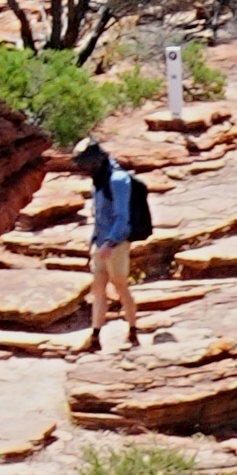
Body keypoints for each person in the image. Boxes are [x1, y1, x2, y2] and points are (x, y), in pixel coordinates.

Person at [71, 141, 152, 348]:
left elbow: (122, 217)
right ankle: (95, 337)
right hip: (100, 243)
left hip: (116, 245)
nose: (84, 169)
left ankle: (132, 331)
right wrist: (95, 241)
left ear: (96, 160)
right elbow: (100, 214)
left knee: (120, 287)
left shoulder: (117, 180)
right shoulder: (99, 179)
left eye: (86, 164)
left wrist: (110, 242)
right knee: (98, 290)